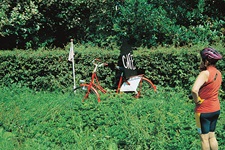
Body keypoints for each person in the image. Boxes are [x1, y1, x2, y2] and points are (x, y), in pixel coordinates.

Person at [191, 47, 223, 150]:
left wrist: (197, 101)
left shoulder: (204, 74)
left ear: (206, 61)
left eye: (202, 59)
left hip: (203, 111)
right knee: (212, 136)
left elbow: (194, 90)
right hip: (215, 109)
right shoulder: (218, 73)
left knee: (204, 139)